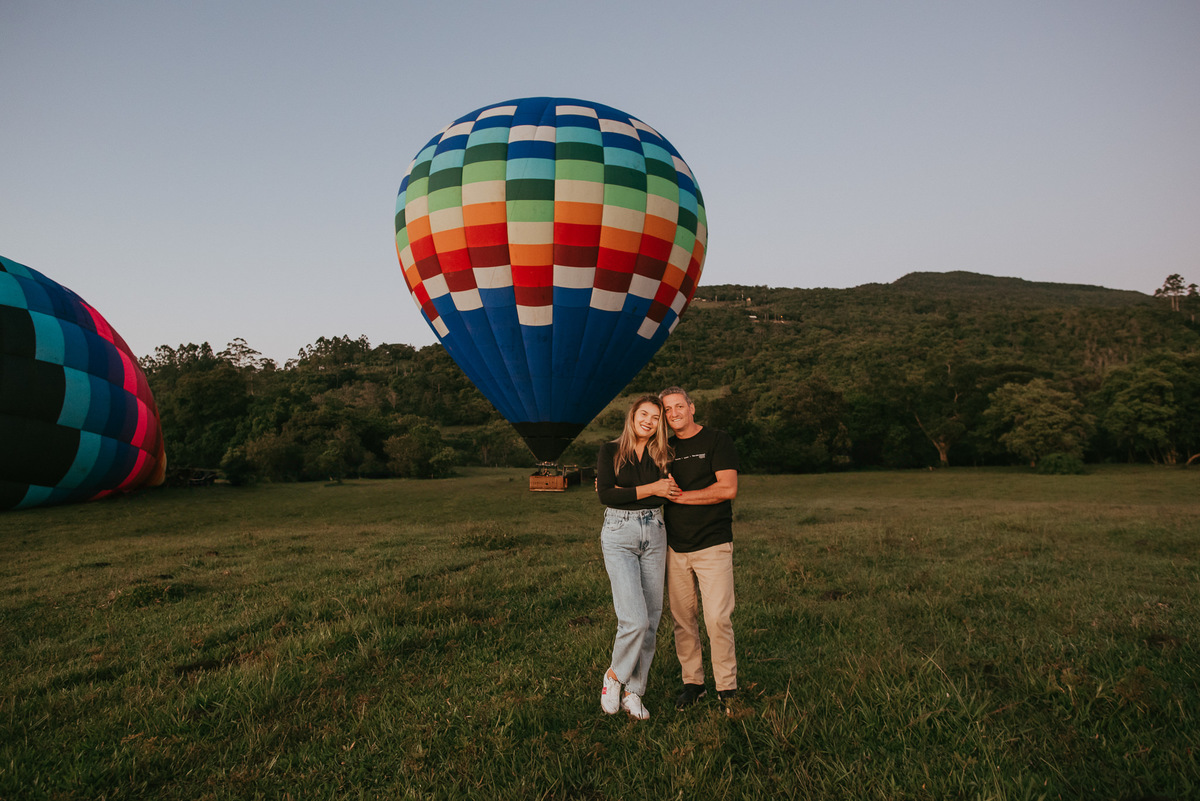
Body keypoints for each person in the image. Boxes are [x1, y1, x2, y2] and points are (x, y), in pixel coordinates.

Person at [595, 394, 679, 721]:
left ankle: (635, 692)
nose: (648, 420)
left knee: (653, 619)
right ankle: (614, 677)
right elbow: (606, 494)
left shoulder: (663, 456)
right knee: (635, 618)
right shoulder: (610, 450)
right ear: (632, 416)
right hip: (619, 533)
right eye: (643, 414)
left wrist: (662, 488)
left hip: (655, 530)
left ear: (660, 425)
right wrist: (653, 488)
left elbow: (670, 489)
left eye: (655, 417)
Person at [659, 386, 740, 713]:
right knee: (683, 620)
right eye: (667, 409)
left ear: (692, 407)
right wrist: (606, 481)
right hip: (675, 547)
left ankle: (727, 688)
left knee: (717, 618)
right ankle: (693, 683)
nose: (674, 413)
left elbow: (728, 488)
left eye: (679, 406)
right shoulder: (663, 447)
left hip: (713, 544)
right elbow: (636, 473)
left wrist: (681, 497)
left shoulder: (718, 440)